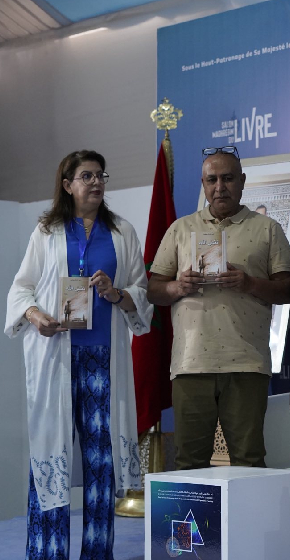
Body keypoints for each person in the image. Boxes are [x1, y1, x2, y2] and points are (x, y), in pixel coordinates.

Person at [6, 149, 153, 559]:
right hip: (56, 360)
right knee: (50, 456)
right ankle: (47, 552)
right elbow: (21, 288)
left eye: (101, 175)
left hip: (103, 363)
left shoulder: (122, 232)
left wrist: (116, 293)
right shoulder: (47, 232)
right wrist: (35, 316)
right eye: (86, 176)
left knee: (101, 463)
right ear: (67, 184)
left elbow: (141, 293)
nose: (96, 182)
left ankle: (97, 553)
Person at [148, 146, 290, 470]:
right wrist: (178, 286)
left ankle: (249, 509)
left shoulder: (267, 228)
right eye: (212, 180)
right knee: (189, 463)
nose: (220, 187)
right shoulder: (180, 229)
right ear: (203, 184)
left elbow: (287, 289)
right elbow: (154, 290)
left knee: (249, 460)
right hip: (191, 363)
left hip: (246, 363)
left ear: (242, 181)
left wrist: (249, 283)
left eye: (227, 178)